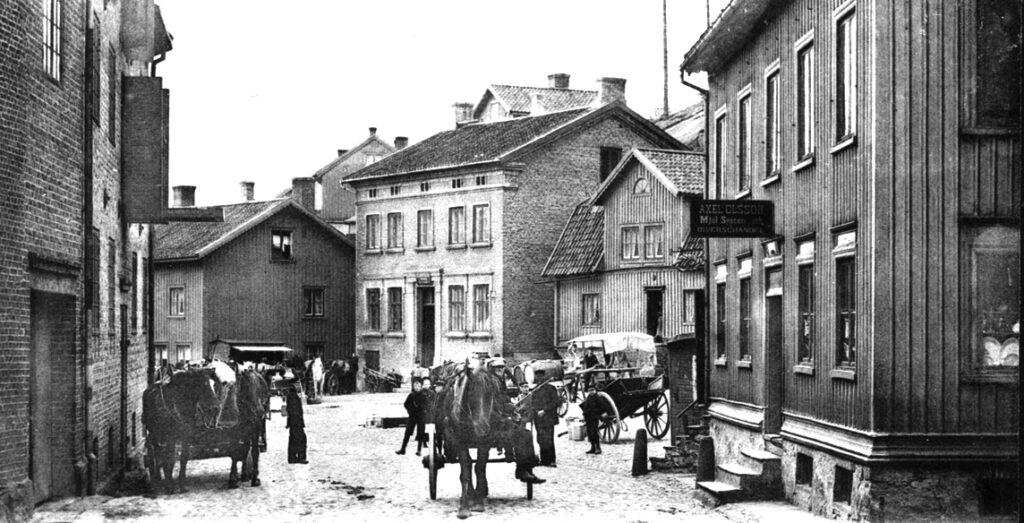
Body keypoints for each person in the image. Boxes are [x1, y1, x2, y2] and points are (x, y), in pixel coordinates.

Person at [530, 381, 562, 466]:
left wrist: (544, 410)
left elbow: (555, 402)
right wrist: (536, 411)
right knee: (540, 439)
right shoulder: (535, 389)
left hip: (549, 418)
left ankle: (551, 460)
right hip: (538, 419)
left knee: (549, 439)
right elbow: (533, 402)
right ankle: (544, 459)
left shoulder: (551, 388)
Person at [397, 380, 426, 455]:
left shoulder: (423, 395)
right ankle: (403, 449)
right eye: (415, 386)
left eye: (419, 386)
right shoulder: (411, 395)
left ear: (421, 387)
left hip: (421, 417)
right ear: (413, 387)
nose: (417, 388)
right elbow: (405, 404)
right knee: (407, 433)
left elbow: (427, 406)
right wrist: (410, 411)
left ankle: (419, 450)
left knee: (420, 433)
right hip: (412, 416)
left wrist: (423, 411)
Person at [580, 386, 609, 455]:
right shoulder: (588, 398)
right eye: (589, 390)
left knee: (594, 432)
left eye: (592, 390)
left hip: (594, 417)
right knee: (589, 433)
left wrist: (603, 413)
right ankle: (592, 447)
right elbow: (585, 407)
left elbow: (603, 406)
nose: (591, 392)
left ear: (595, 390)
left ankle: (598, 448)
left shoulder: (598, 398)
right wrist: (584, 415)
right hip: (588, 417)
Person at [285, 379, 308, 464]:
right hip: (296, 422)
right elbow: (295, 411)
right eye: (297, 384)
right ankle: (300, 457)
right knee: (300, 439)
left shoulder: (292, 395)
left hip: (294, 422)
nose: (299, 386)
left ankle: (293, 457)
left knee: (294, 439)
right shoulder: (293, 396)